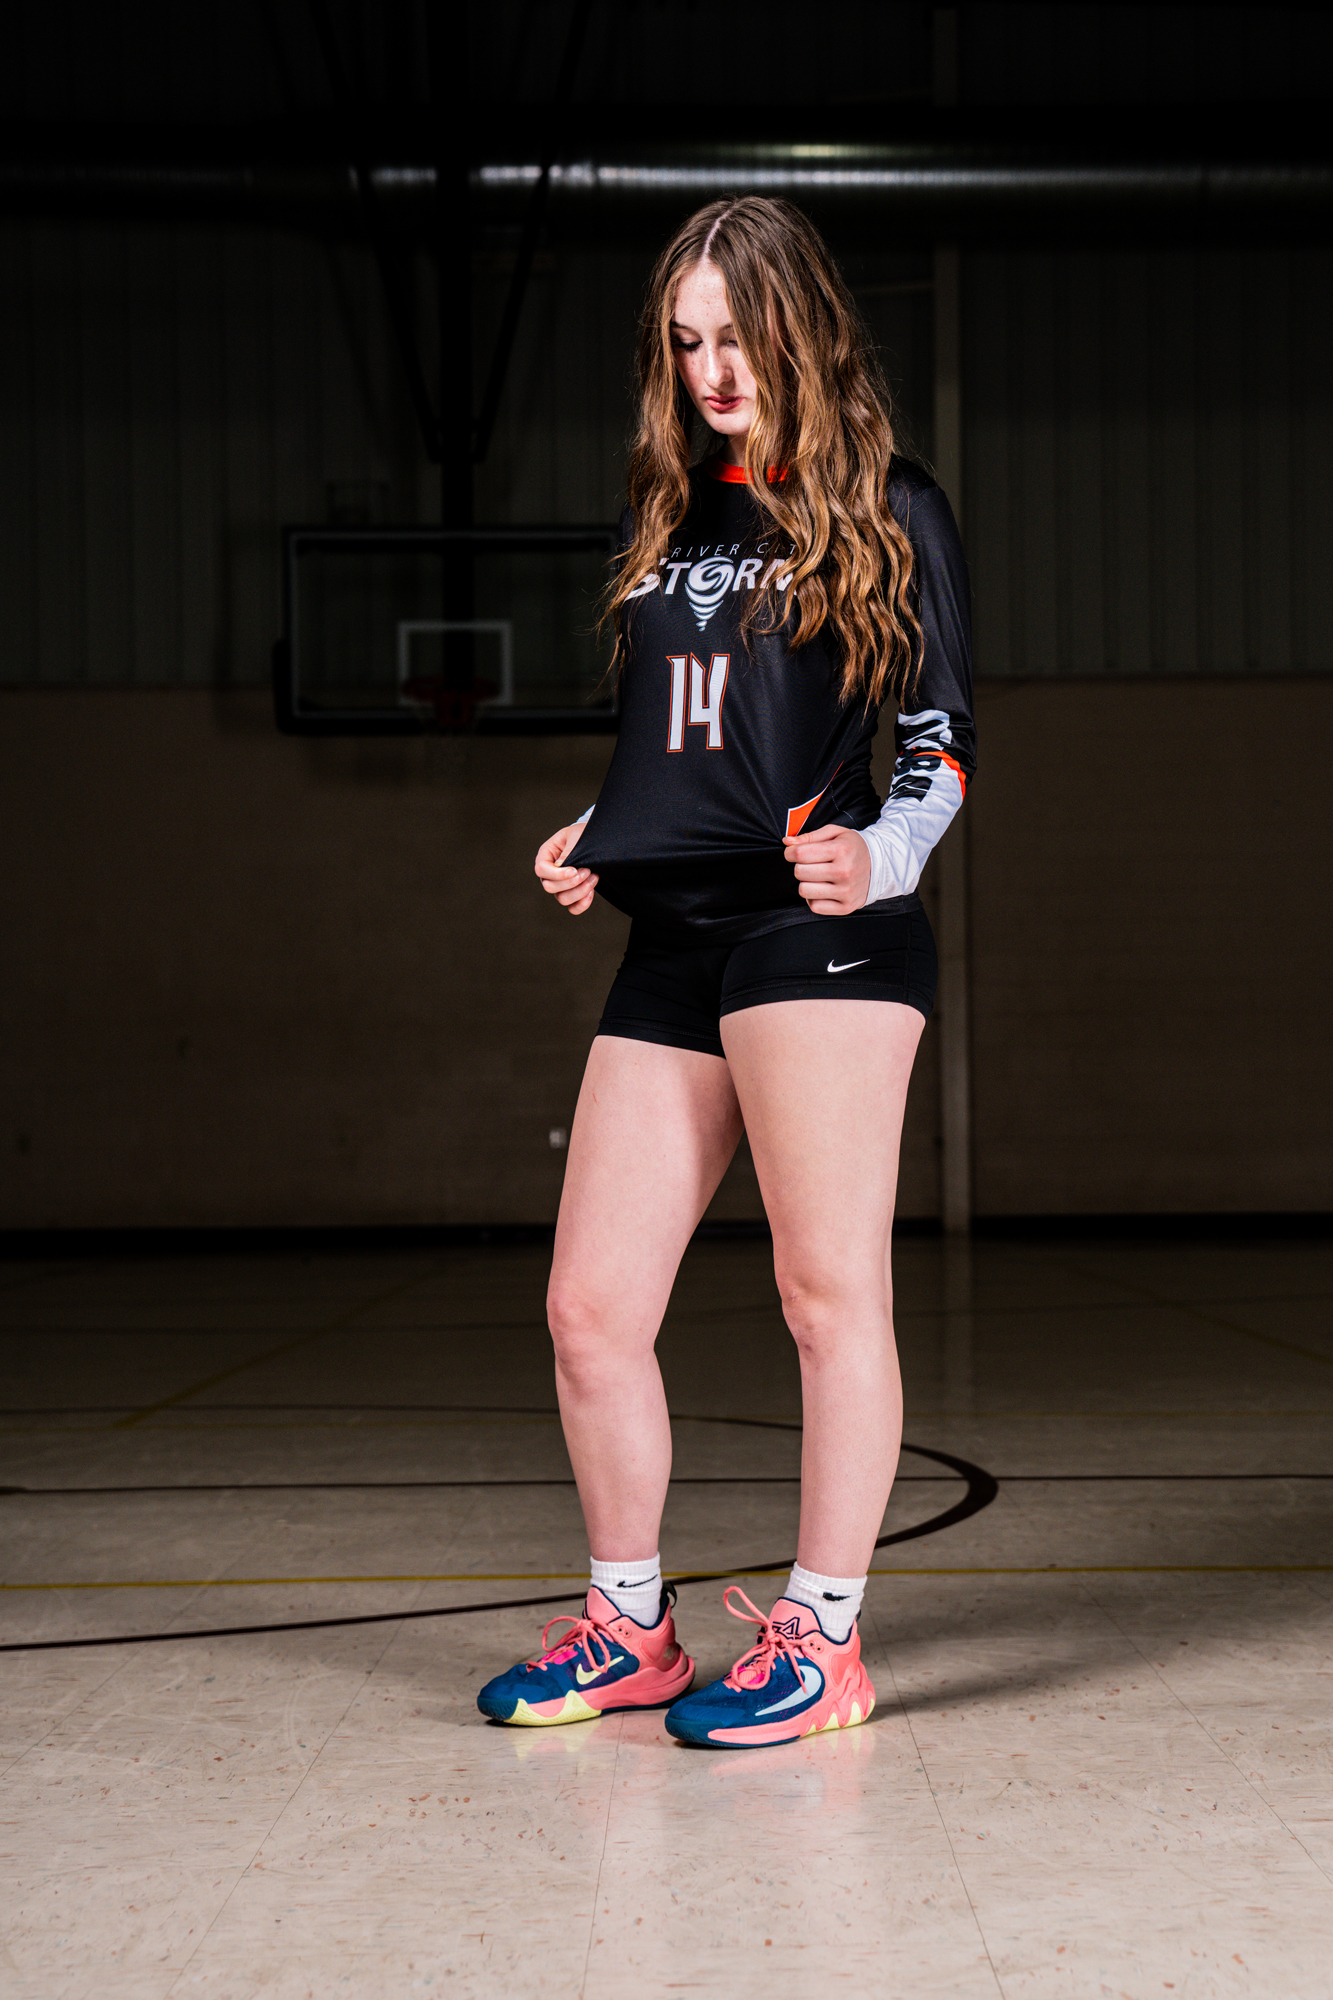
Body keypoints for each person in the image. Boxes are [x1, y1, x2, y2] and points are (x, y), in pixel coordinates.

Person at [477, 195, 974, 1748]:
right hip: (674, 938)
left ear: (800, 327)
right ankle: (631, 1628)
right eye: (685, 342)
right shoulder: (670, 513)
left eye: (736, 335)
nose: (711, 369)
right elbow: (688, 740)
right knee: (587, 1307)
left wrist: (881, 857)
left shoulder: (892, 505)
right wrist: (604, 829)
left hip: (819, 936)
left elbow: (938, 745)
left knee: (824, 1296)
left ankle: (823, 1640)